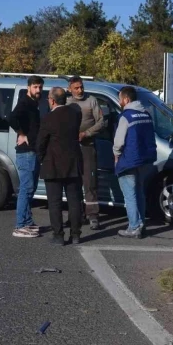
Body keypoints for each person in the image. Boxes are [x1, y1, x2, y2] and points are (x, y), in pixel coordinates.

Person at [36, 87, 84, 245]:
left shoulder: (48, 118)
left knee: (55, 202)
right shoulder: (75, 115)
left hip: (53, 164)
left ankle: (58, 235)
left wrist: (42, 158)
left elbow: (41, 143)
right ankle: (76, 234)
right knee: (74, 201)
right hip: (73, 163)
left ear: (52, 100)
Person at [113, 86, 157, 239]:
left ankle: (133, 227)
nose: (119, 102)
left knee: (129, 195)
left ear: (126, 99)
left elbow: (119, 142)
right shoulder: (146, 114)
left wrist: (116, 155)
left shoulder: (126, 116)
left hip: (129, 160)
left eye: (120, 99)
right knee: (139, 192)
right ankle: (141, 223)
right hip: (145, 160)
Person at [66, 76, 106, 230]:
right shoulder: (67, 102)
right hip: (70, 148)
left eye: (81, 87)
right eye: (76, 88)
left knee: (90, 182)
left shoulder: (91, 101)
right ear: (70, 89)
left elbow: (101, 122)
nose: (80, 90)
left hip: (88, 146)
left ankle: (93, 216)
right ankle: (76, 215)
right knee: (73, 182)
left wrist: (86, 133)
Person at [8, 75, 44, 238]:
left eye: (40, 87)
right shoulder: (24, 103)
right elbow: (11, 118)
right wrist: (21, 133)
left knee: (31, 189)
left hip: (33, 152)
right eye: (35, 87)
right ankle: (20, 226)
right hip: (26, 153)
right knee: (26, 189)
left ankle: (27, 221)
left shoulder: (34, 104)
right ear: (29, 87)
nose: (38, 90)